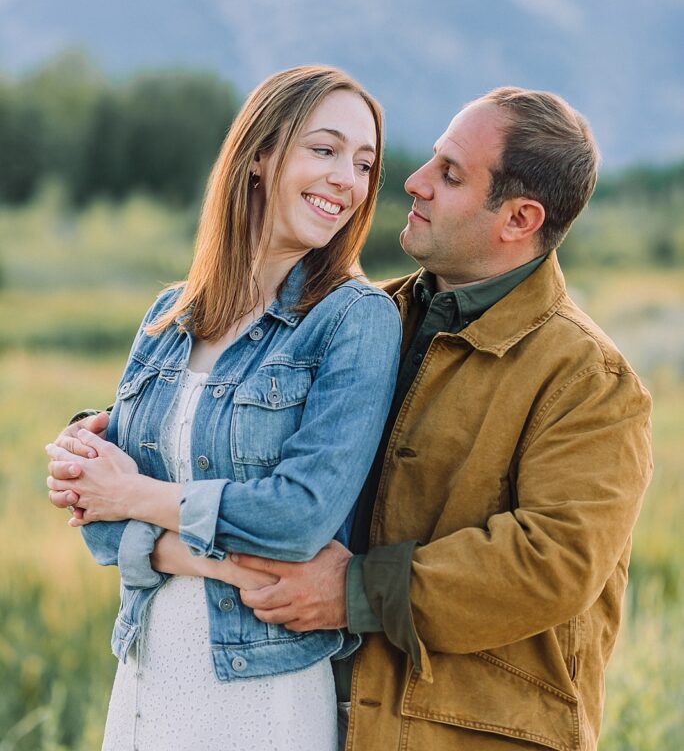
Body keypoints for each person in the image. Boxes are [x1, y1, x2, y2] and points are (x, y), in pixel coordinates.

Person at [219, 88, 653, 751]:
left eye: (450, 174)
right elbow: (238, 411)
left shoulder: (588, 377)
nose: (414, 183)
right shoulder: (358, 318)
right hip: (307, 718)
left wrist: (355, 591)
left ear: (518, 218)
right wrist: (115, 429)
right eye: (431, 162)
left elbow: (554, 560)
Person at [45, 64, 402, 751]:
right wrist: (207, 559)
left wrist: (134, 496)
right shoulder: (170, 315)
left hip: (257, 691)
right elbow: (94, 521)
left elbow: (298, 519)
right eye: (324, 150)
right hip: (146, 671)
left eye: (363, 163)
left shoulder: (354, 318)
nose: (346, 180)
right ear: (261, 156)